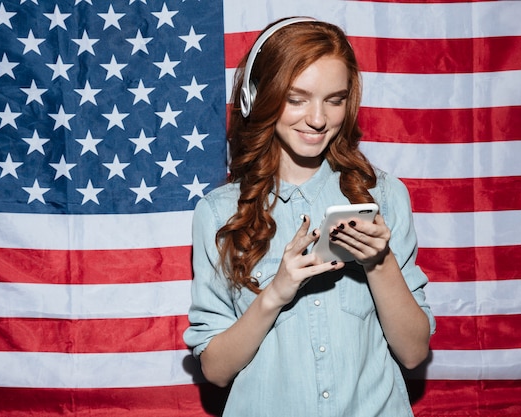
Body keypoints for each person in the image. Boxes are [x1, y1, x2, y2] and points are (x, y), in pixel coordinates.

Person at [183, 17, 436, 417]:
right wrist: (276, 293)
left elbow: (413, 352)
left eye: (334, 99)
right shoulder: (218, 213)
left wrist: (378, 262)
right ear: (256, 98)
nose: (318, 119)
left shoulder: (385, 196)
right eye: (298, 98)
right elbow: (215, 370)